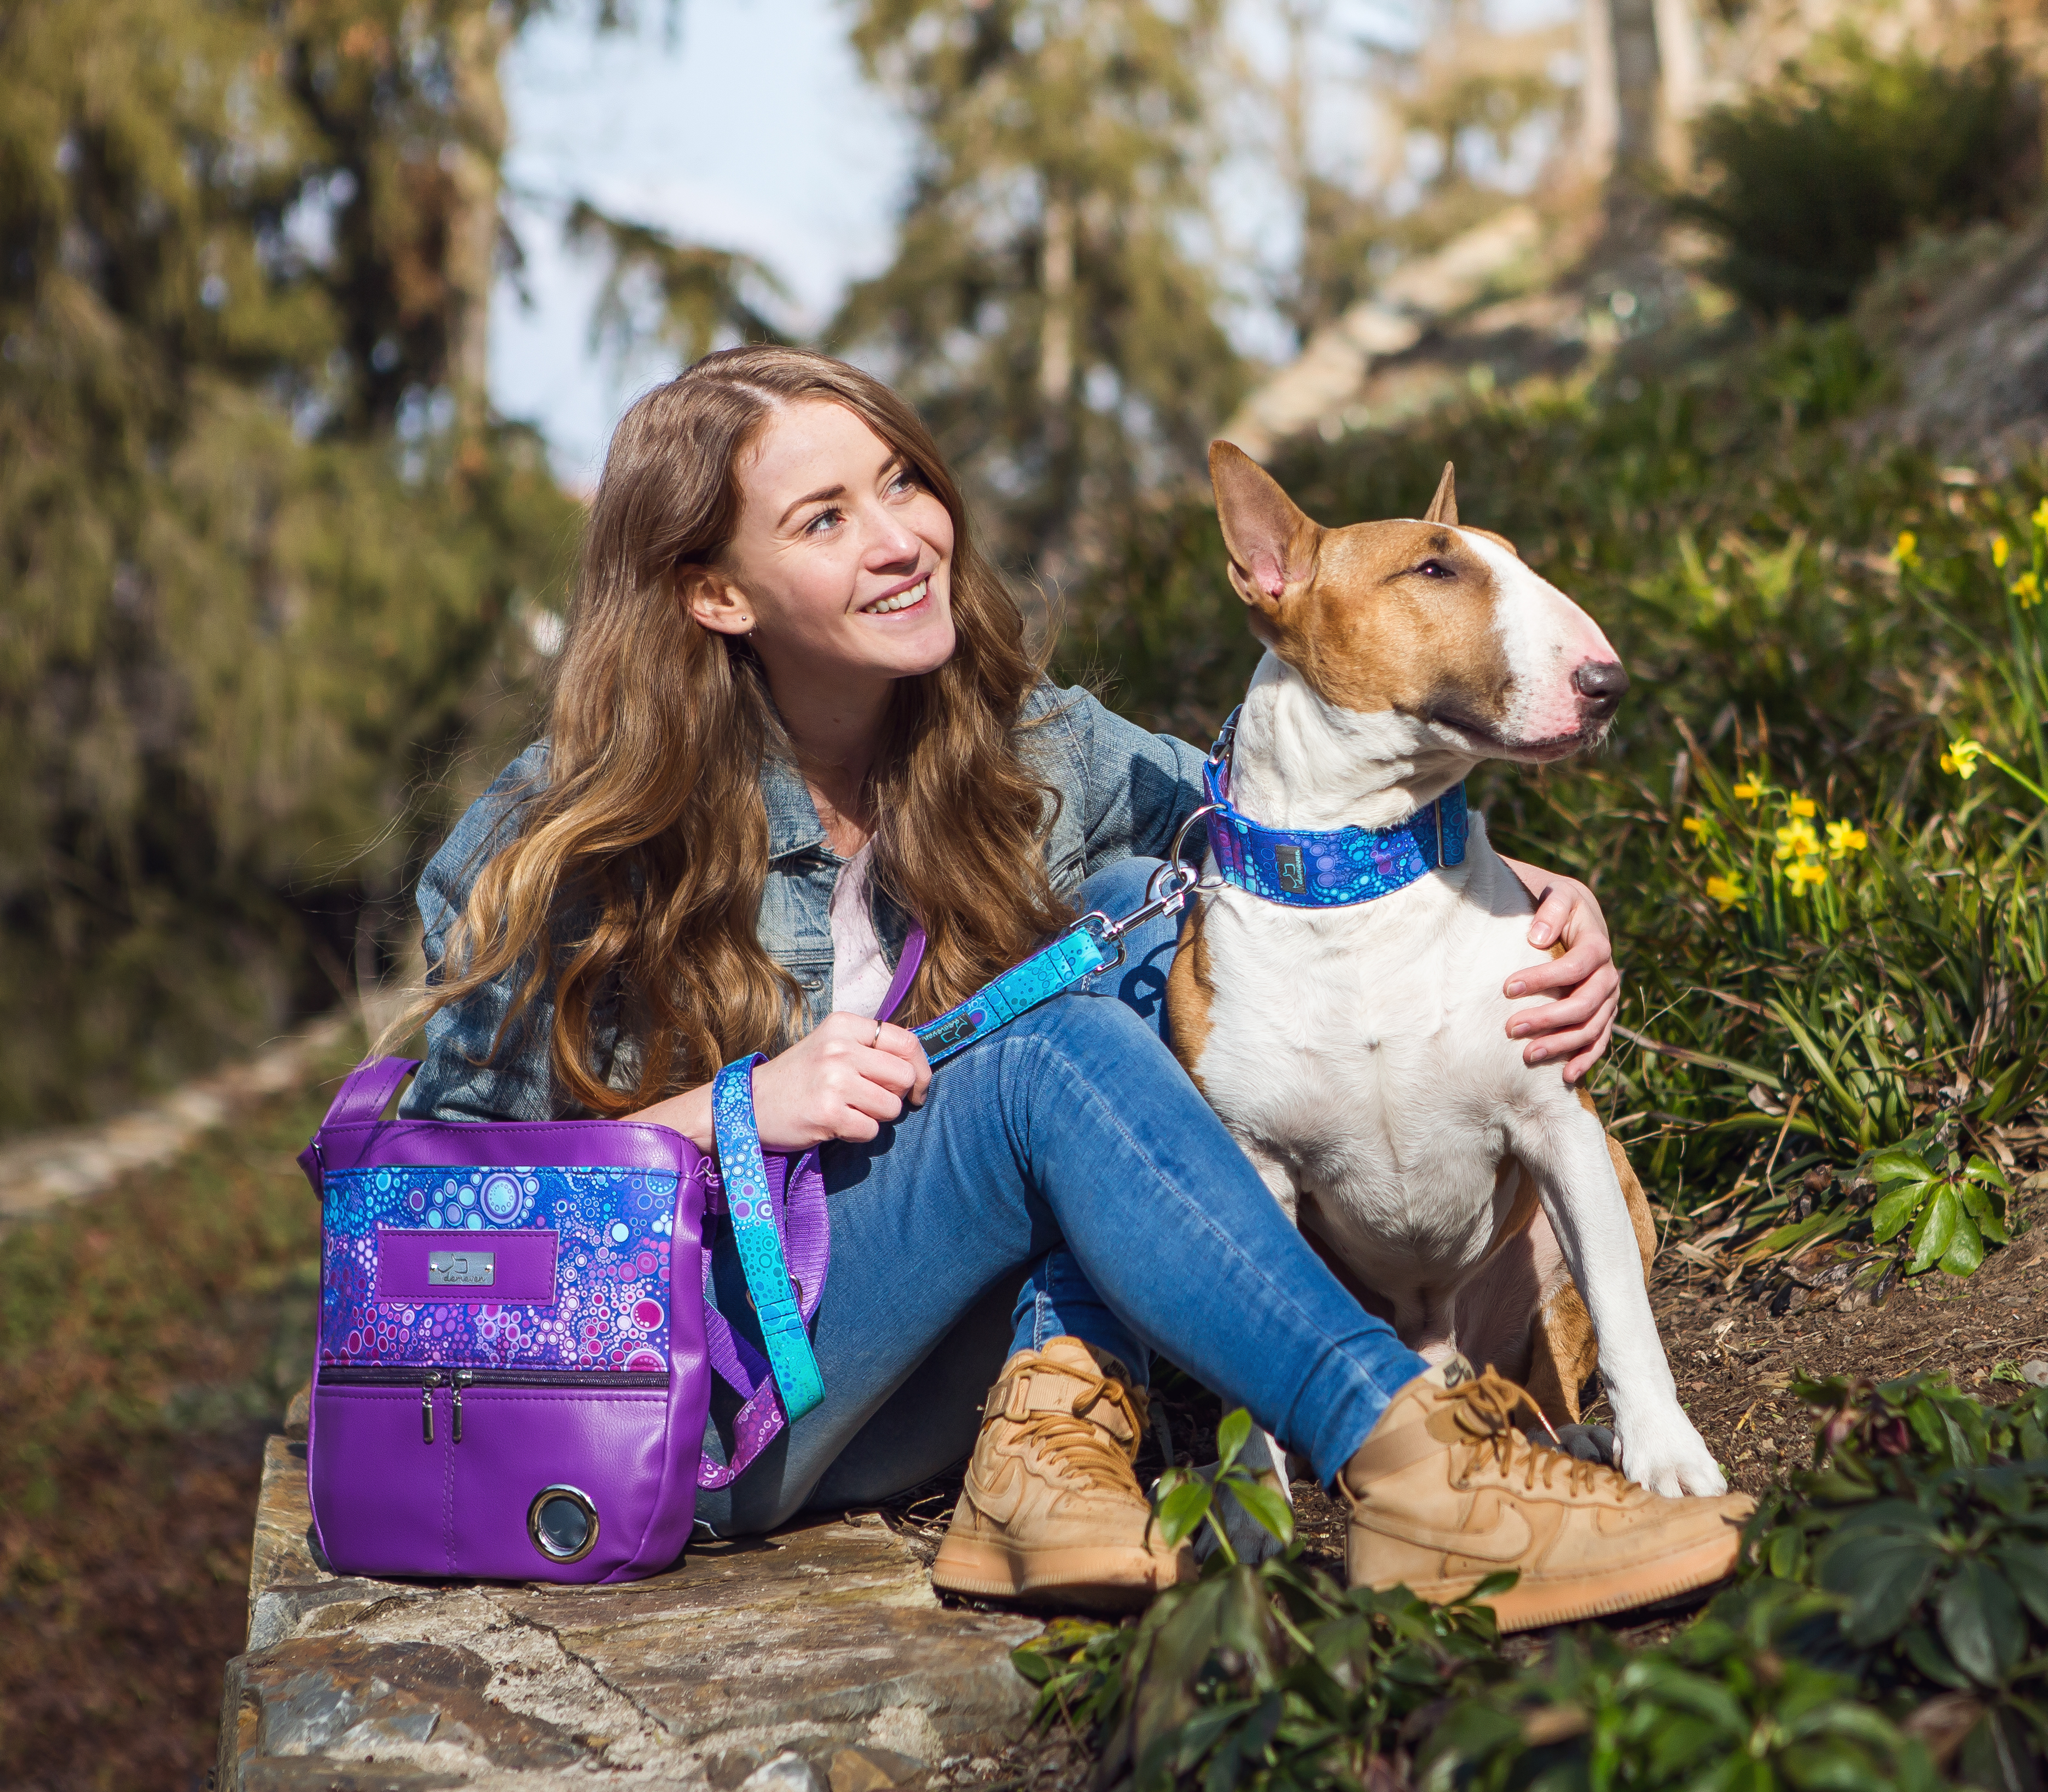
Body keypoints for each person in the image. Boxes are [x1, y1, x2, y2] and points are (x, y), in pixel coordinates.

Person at [387, 344, 1750, 1621]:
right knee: (1058, 1043)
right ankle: (1411, 1469)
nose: (899, 536)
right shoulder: (569, 832)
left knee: (1154, 918)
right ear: (713, 591)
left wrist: (1529, 900)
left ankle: (1053, 1437)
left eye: (903, 481)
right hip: (701, 1397)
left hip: (933, 1364)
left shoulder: (1022, 744)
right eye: (823, 519)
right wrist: (731, 1111)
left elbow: (1286, 829)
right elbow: (418, 1208)